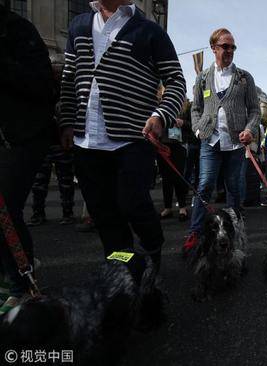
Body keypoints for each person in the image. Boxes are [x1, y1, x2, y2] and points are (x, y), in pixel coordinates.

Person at [59, 1, 186, 267]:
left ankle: (153, 253)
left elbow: (176, 81)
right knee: (105, 218)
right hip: (86, 141)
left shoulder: (150, 31)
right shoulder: (79, 26)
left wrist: (160, 115)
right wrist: (67, 121)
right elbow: (69, 78)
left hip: (132, 139)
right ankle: (124, 269)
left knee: (133, 205)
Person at [0, 4, 55, 314]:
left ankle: (23, 283)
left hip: (24, 134)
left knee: (5, 208)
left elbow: (44, 87)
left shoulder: (18, 30)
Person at [183, 28, 260, 251]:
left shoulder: (244, 78)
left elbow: (255, 110)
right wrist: (198, 130)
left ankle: (236, 234)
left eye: (232, 47)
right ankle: (195, 233)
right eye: (225, 46)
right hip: (210, 142)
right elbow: (195, 108)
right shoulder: (203, 77)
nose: (230, 51)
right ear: (213, 48)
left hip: (235, 143)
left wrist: (249, 129)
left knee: (234, 189)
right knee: (204, 186)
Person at [28, 62, 75, 227]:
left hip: (61, 142)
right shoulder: (42, 90)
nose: (56, 74)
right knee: (40, 182)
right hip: (45, 142)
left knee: (65, 180)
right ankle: (38, 213)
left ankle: (67, 212)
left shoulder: (66, 92)